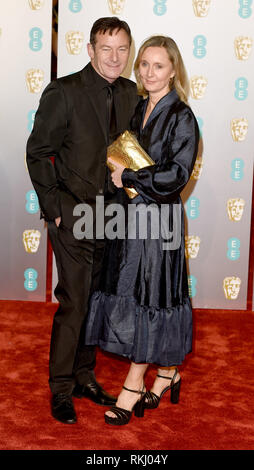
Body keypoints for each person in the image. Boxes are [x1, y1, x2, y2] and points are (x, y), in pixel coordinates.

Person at [26, 17, 139, 424]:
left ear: (129, 51)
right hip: (72, 213)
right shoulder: (64, 91)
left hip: (114, 216)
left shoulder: (131, 93)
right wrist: (54, 206)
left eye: (122, 49)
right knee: (74, 301)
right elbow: (39, 151)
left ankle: (84, 376)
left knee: (96, 300)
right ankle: (60, 387)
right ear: (90, 49)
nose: (114, 57)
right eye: (105, 48)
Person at [84, 35, 199, 425]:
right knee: (140, 294)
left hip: (160, 222)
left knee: (153, 297)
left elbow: (176, 175)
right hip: (133, 221)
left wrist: (129, 173)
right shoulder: (139, 108)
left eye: (159, 66)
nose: (150, 72)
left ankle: (133, 384)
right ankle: (167, 374)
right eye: (145, 65)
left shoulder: (182, 116)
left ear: (173, 71)